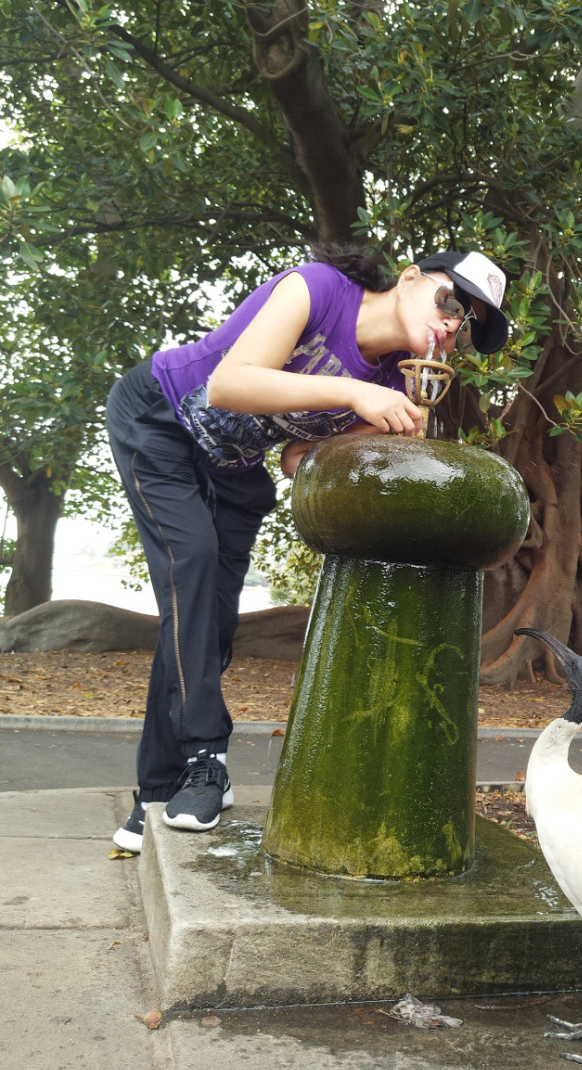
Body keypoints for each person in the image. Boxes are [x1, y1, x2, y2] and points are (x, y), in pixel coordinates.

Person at [106, 244, 509, 852]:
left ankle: (159, 790)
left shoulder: (387, 377)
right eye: (452, 302)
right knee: (188, 565)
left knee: (208, 612)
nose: (453, 326)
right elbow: (228, 385)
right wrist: (351, 396)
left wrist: (374, 432)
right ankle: (206, 756)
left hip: (235, 467)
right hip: (161, 419)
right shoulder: (318, 290)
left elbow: (295, 457)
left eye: (468, 328)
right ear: (409, 279)